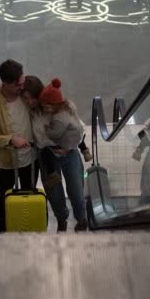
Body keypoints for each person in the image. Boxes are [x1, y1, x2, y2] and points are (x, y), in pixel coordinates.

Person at [24, 76, 87, 232]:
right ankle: (61, 220)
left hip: (69, 152)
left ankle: (81, 219)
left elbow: (78, 129)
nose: (29, 102)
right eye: (26, 99)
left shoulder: (59, 108)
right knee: (54, 193)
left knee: (76, 189)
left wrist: (70, 146)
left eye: (32, 98)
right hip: (46, 156)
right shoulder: (30, 112)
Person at [0, 59, 38, 231]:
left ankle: (28, 228)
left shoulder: (25, 95)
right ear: (6, 83)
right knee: (4, 196)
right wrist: (9, 139)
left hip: (31, 159)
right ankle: (4, 231)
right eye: (18, 84)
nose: (22, 86)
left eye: (22, 82)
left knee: (29, 195)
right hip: (7, 162)